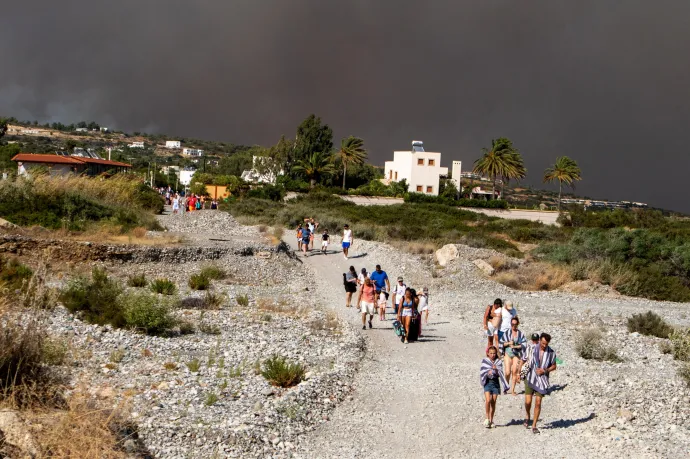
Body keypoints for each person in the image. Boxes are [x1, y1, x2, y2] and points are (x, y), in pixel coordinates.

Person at [523, 333, 557, 434]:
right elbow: (524, 359)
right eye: (542, 343)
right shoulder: (532, 348)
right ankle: (527, 415)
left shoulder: (551, 353)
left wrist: (545, 370)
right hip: (530, 377)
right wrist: (517, 374)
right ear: (539, 341)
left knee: (538, 402)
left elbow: (554, 366)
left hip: (542, 380)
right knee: (528, 402)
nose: (544, 345)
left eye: (546, 344)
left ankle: (534, 425)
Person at [480, 346, 509, 429]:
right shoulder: (485, 361)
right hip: (488, 382)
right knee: (488, 400)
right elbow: (482, 371)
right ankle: (487, 418)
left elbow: (500, 373)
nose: (492, 355)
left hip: (495, 383)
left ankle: (491, 420)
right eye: (491, 353)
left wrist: (496, 370)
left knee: (493, 401)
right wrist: (487, 373)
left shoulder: (498, 362)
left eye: (494, 353)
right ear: (488, 354)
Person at [500, 317, 526, 394]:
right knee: (507, 372)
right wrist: (508, 343)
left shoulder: (520, 334)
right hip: (507, 353)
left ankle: (513, 390)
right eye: (512, 324)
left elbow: (524, 344)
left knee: (514, 371)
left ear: (517, 324)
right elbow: (501, 343)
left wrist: (516, 346)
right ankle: (506, 386)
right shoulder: (507, 333)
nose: (514, 326)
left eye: (515, 324)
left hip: (516, 354)